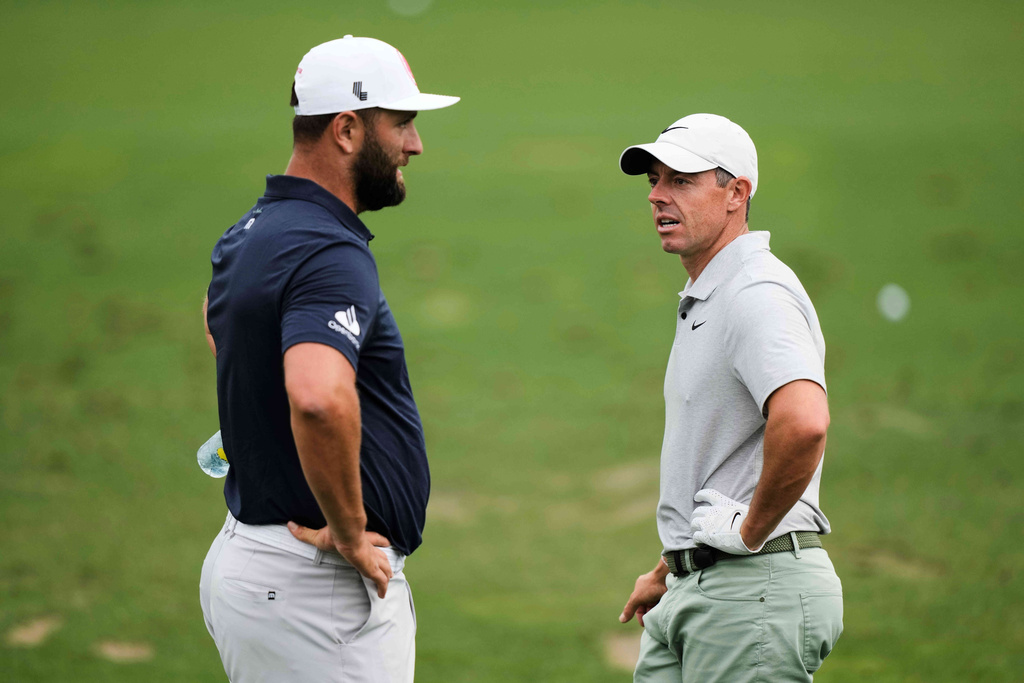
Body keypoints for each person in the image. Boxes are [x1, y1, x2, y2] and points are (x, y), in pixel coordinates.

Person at [198, 36, 458, 682]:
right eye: (401, 123)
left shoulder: (252, 229)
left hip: (257, 567)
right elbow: (316, 396)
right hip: (318, 593)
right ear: (346, 129)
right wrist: (347, 528)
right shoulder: (330, 252)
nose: (415, 144)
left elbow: (217, 321)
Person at [616, 114, 843, 682]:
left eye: (681, 181)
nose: (658, 197)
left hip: (754, 597)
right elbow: (724, 466)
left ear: (736, 192)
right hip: (700, 591)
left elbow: (805, 421)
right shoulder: (711, 294)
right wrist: (671, 569)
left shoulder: (756, 294)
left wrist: (747, 532)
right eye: (654, 180)